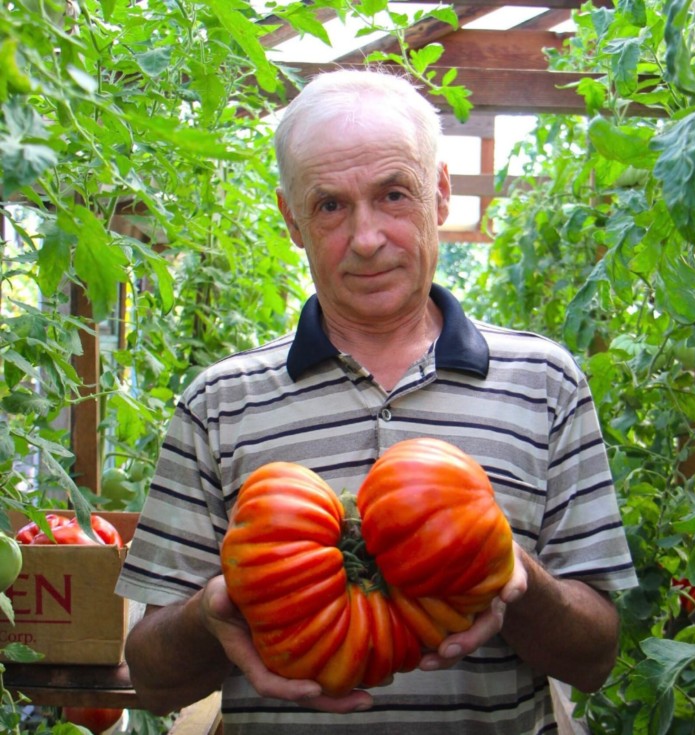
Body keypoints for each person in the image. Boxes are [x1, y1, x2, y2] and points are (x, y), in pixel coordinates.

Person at [116, 68, 638, 735]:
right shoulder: (218, 402)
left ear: (439, 194)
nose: (366, 239)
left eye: (393, 194)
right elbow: (153, 678)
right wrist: (216, 609)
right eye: (330, 205)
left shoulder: (546, 383)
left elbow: (595, 659)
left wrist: (511, 576)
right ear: (292, 220)